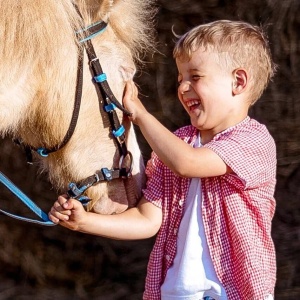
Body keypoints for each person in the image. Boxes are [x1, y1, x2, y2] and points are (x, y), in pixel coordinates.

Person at [49, 20, 277, 300]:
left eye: (195, 76)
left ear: (238, 82)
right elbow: (147, 219)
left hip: (232, 293)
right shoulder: (176, 145)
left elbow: (189, 163)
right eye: (180, 78)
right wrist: (85, 221)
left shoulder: (254, 141)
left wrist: (141, 116)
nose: (182, 87)